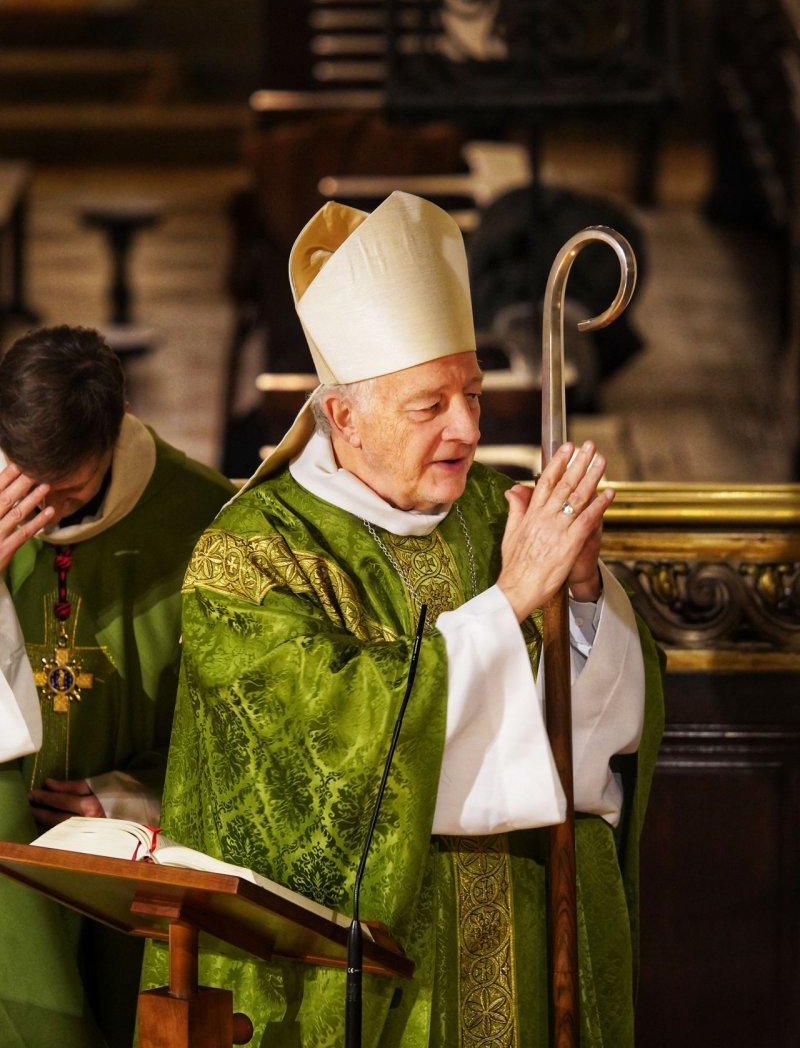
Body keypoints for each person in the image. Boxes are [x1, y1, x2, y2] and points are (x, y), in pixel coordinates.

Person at [143, 193, 665, 1047]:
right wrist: (510, 601)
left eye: (473, 391)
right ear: (342, 416)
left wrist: (578, 593)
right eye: (430, 406)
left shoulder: (499, 508)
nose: (468, 428)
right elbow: (334, 767)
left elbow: (595, 741)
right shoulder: (250, 560)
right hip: (372, 986)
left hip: (525, 954)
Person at [0, 324, 234, 1048]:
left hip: (133, 859)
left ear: (116, 431)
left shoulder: (203, 518)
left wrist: (134, 795)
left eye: (64, 492)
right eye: (21, 479)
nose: (40, 512)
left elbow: (241, 727)